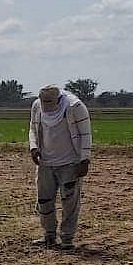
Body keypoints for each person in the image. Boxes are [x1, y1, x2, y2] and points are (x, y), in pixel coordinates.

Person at [29, 84, 92, 249]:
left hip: (70, 163)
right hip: (46, 163)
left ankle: (67, 239)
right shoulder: (37, 106)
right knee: (44, 200)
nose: (45, 105)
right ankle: (48, 235)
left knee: (70, 202)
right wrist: (33, 147)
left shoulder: (75, 107)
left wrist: (84, 160)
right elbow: (33, 128)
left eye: (49, 102)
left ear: (58, 99)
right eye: (43, 101)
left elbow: (85, 134)